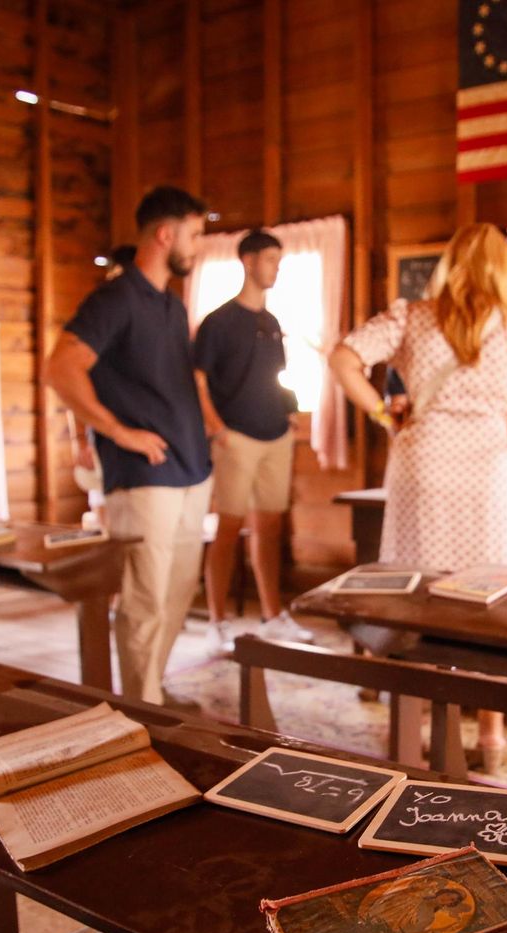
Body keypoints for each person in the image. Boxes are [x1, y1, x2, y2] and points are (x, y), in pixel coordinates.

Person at [327, 222, 507, 770]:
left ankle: (416, 726)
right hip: (490, 473)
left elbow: (344, 359)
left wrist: (382, 412)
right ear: (504, 269)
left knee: (417, 595)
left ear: (449, 264)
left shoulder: (411, 317)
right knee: (491, 600)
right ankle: (491, 738)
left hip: (423, 462)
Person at [44, 187, 212, 705]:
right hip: (142, 476)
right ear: (166, 234)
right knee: (144, 604)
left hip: (191, 469)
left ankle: (148, 696)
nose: (199, 246)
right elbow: (60, 369)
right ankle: (142, 715)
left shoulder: (170, 303)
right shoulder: (114, 299)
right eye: (196, 234)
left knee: (177, 598)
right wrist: (117, 433)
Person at [193, 228, 312, 654]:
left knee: (270, 527)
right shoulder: (218, 322)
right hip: (235, 437)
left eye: (280, 261)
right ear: (247, 261)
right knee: (228, 527)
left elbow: (276, 377)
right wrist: (217, 428)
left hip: (276, 435)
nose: (276, 268)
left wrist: (290, 414)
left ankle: (272, 613)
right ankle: (217, 622)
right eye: (270, 260)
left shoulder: (273, 322)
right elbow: (199, 379)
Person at [68, 245, 139, 529]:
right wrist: (82, 441)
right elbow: (72, 387)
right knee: (105, 516)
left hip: (137, 435)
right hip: (102, 435)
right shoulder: (97, 325)